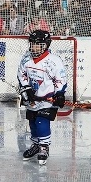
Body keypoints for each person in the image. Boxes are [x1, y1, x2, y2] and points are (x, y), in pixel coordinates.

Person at [17, 29, 68, 165]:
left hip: (47, 99)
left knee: (41, 122)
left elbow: (60, 79)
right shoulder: (27, 58)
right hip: (32, 99)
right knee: (32, 122)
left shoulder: (53, 61)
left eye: (37, 44)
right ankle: (35, 145)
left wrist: (60, 94)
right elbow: (21, 74)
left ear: (45, 45)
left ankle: (44, 147)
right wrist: (26, 88)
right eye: (32, 43)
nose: (33, 47)